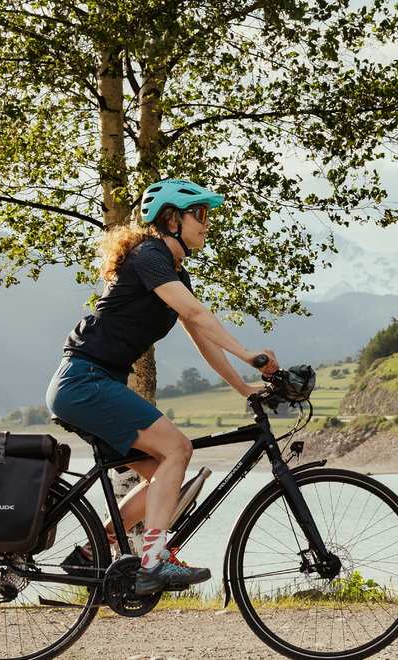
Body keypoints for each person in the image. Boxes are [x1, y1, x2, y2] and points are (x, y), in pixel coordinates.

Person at [45, 178, 278, 595]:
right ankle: (153, 560)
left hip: (91, 383)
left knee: (162, 480)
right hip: (85, 381)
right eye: (200, 215)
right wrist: (251, 355)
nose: (207, 225)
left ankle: (92, 550)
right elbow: (196, 312)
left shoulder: (174, 275)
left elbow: (203, 338)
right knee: (178, 449)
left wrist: (246, 388)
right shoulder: (149, 255)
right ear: (172, 219)